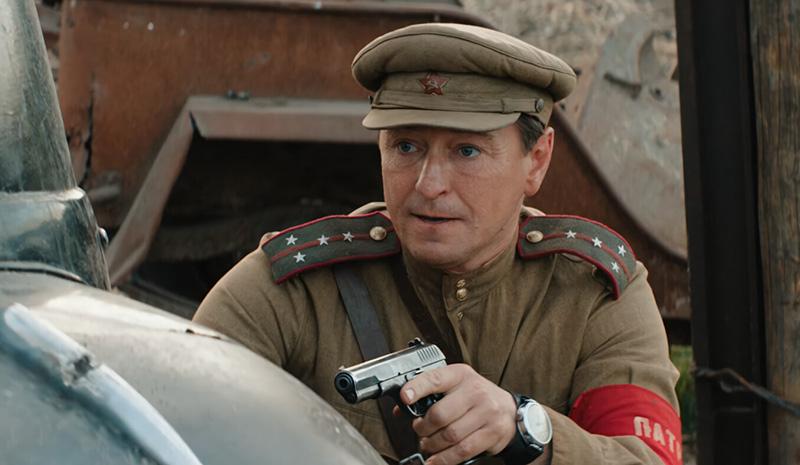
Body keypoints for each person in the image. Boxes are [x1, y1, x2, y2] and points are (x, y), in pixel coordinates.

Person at [193, 23, 682, 465]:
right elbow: (172, 418)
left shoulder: (592, 292)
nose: (429, 185)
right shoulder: (293, 288)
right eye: (406, 146)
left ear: (536, 160)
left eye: (467, 151)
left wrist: (530, 433)